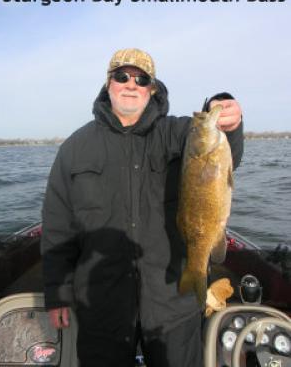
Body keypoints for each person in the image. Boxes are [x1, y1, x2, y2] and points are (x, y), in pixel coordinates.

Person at [41, 48, 243, 367]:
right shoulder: (75, 148)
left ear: (152, 89)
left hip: (172, 306)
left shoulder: (180, 133)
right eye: (122, 76)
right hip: (102, 307)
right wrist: (57, 292)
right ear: (109, 84)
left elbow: (221, 154)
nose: (131, 84)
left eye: (142, 78)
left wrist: (225, 113)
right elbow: (57, 226)